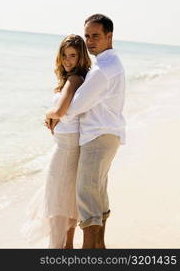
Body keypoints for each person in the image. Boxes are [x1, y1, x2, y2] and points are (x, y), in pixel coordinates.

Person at [46, 14, 126, 248]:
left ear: (109, 36)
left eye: (96, 36)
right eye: (87, 36)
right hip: (105, 135)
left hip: (98, 138)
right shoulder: (109, 64)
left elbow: (75, 107)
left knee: (88, 200)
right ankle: (98, 249)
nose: (90, 41)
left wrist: (51, 114)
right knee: (97, 198)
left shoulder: (102, 69)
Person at [23, 34, 91, 248]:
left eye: (73, 55)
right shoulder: (78, 79)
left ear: (81, 57)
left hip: (65, 150)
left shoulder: (74, 80)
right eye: (64, 55)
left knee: (56, 204)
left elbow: (60, 110)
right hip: (69, 147)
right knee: (65, 203)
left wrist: (49, 114)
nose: (68, 60)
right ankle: (67, 248)